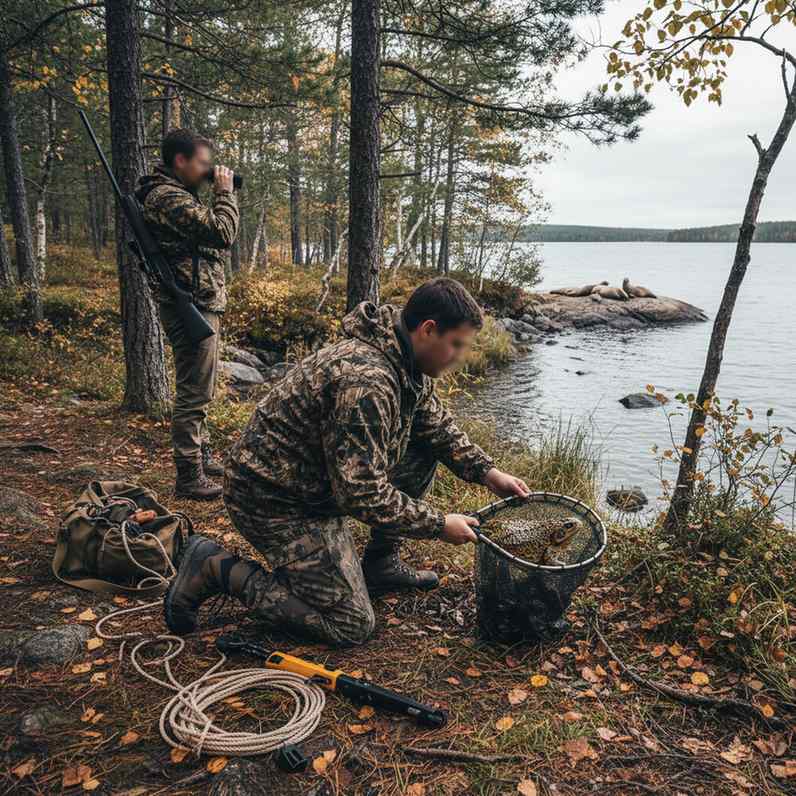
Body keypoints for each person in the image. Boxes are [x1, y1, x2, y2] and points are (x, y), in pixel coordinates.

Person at [164, 278, 531, 646]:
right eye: (457, 345)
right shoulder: (367, 382)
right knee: (351, 624)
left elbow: (435, 425)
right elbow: (361, 493)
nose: (460, 356)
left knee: (424, 450)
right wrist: (438, 524)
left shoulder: (406, 360)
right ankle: (214, 567)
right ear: (428, 329)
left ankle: (381, 564)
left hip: (315, 482)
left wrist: (488, 472)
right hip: (273, 500)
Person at [136, 129, 239, 500]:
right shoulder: (167, 197)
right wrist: (225, 194)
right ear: (180, 161)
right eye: (203, 163)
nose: (209, 171)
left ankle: (201, 456)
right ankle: (189, 475)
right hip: (190, 301)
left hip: (197, 298)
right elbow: (222, 232)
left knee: (201, 387)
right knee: (194, 392)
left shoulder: (178, 194)